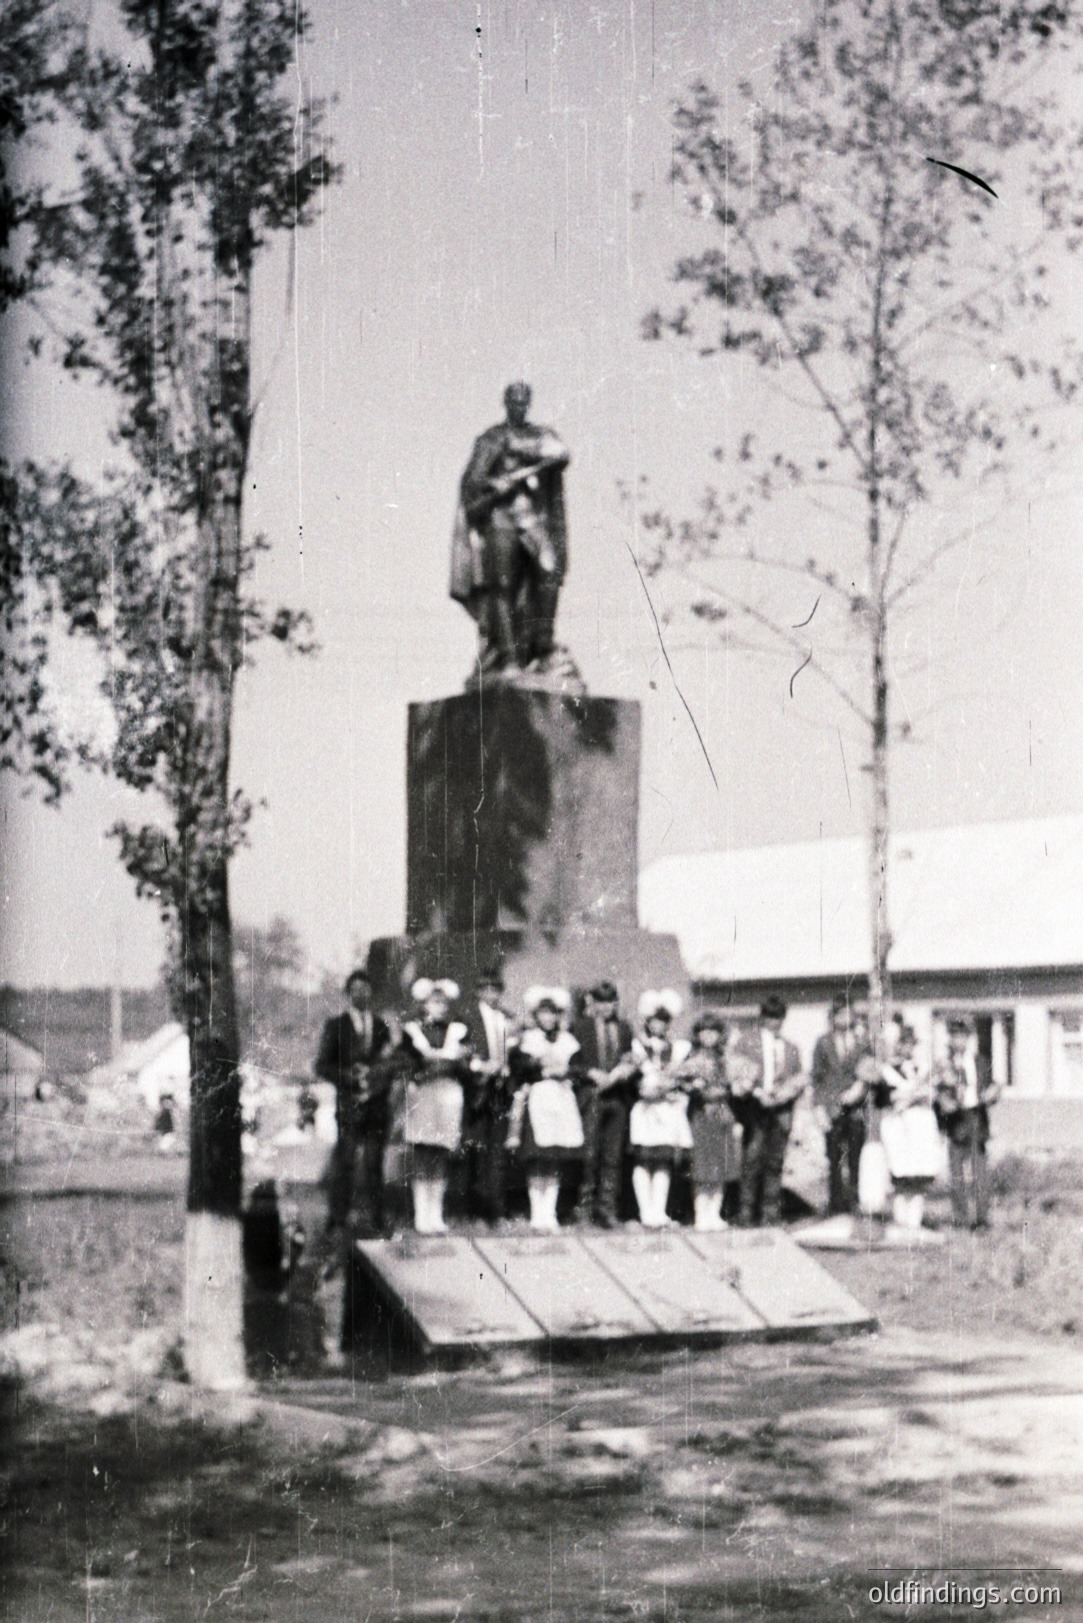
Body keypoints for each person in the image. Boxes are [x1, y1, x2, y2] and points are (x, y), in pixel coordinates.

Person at [450, 382, 571, 672]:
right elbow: (472, 483)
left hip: (532, 520)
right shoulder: (491, 438)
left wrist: (517, 449)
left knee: (548, 571)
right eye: (514, 402)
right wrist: (495, 484)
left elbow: (561, 454)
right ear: (506, 404)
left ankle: (543, 647)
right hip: (500, 519)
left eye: (524, 402)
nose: (520, 407)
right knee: (502, 586)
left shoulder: (541, 435)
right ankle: (507, 657)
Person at [314, 969, 396, 1239]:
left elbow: (392, 1063)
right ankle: (337, 1219)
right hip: (349, 1105)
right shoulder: (335, 1026)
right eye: (355, 989)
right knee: (345, 1161)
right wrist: (346, 1075)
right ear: (348, 994)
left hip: (376, 1106)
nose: (361, 993)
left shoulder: (383, 1026)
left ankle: (376, 1218)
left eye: (366, 988)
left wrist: (379, 1078)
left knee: (374, 1163)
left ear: (372, 992)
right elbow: (322, 1065)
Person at [400, 978, 472, 1234]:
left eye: (443, 1002)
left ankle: (436, 1214)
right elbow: (408, 1064)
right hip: (423, 1095)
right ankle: (422, 1215)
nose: (439, 1006)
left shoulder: (458, 1030)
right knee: (423, 1153)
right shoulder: (413, 1031)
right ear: (424, 1003)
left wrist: (455, 1063)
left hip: (449, 1095)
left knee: (441, 1153)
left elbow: (464, 1065)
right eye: (434, 1001)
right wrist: (430, 1067)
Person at [508, 987, 584, 1231]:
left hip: (561, 1098)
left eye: (552, 1013)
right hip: (539, 1098)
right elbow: (519, 1068)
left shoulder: (567, 1040)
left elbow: (577, 1067)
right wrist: (538, 1065)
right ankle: (536, 1212)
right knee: (538, 1157)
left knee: (554, 1158)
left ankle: (549, 1212)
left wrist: (566, 1072)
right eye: (543, 1013)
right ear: (536, 1015)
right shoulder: (528, 1039)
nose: (548, 1018)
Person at [729, 994, 805, 1227]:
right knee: (751, 1161)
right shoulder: (746, 1042)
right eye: (771, 1017)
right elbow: (737, 1075)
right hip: (755, 1110)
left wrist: (784, 1093)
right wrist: (757, 1093)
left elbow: (798, 1079)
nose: (775, 1022)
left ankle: (770, 1213)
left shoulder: (791, 1048)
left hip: (780, 1112)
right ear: (762, 1017)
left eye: (779, 1018)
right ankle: (745, 1212)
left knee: (775, 1162)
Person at [570, 979, 637, 1227]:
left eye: (611, 1002)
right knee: (589, 1154)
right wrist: (590, 1073)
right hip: (592, 1096)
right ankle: (584, 1210)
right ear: (593, 1003)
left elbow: (630, 1058)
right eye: (601, 1002)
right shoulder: (580, 1027)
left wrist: (625, 1070)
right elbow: (571, 1063)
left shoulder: (624, 1028)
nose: (606, 1007)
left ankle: (607, 1210)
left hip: (617, 1097)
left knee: (613, 1157)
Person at [627, 991, 693, 1229]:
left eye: (663, 1022)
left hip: (667, 1110)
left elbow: (682, 1078)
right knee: (644, 1160)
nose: (659, 1026)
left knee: (663, 1160)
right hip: (646, 1109)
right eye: (655, 1021)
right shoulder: (637, 1046)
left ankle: (659, 1211)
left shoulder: (678, 1049)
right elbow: (634, 1078)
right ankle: (645, 1211)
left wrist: (671, 1084)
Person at [460, 963, 518, 1223]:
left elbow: (514, 1052)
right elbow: (461, 1055)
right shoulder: (468, 1017)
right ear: (478, 991)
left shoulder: (506, 1017)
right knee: (477, 1150)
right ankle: (475, 1208)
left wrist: (506, 1066)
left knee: (497, 1151)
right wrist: (480, 1067)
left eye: (496, 989)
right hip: (479, 1090)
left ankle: (496, 1209)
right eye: (486, 989)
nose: (492, 994)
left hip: (501, 1090)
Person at [933, 1015, 1000, 1230]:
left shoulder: (981, 1061)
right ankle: (961, 1219)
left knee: (980, 1172)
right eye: (955, 1036)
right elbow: (938, 1096)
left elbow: (992, 1088)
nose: (959, 1041)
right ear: (950, 1040)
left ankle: (981, 1219)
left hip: (977, 1118)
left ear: (969, 1038)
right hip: (956, 1122)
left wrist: (993, 1093)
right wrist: (944, 1104)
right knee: (957, 1174)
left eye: (963, 1036)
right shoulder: (944, 1064)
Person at [811, 995, 872, 1216]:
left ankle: (855, 1201)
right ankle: (836, 1204)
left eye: (849, 1014)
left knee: (856, 1157)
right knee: (834, 1158)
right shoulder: (823, 1043)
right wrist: (818, 1108)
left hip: (855, 1109)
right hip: (832, 1109)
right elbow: (816, 1079)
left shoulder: (862, 1042)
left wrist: (858, 1090)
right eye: (840, 1014)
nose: (845, 1018)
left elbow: (868, 1072)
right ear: (833, 1016)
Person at [678, 1010, 738, 1231]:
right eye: (704, 1032)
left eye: (713, 1032)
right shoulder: (691, 1058)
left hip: (722, 1114)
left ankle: (715, 1212)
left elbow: (733, 1084)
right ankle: (701, 1213)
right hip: (701, 1114)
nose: (709, 1036)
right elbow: (682, 1083)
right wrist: (694, 1087)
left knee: (721, 1164)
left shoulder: (725, 1058)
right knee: (702, 1165)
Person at [878, 1024, 941, 1229]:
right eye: (901, 1044)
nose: (906, 1048)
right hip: (898, 1126)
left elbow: (930, 1094)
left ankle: (915, 1220)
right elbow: (889, 1098)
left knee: (919, 1173)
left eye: (909, 1044)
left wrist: (912, 1095)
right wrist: (912, 1095)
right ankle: (900, 1219)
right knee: (900, 1172)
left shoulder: (921, 1068)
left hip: (921, 1125)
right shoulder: (887, 1070)